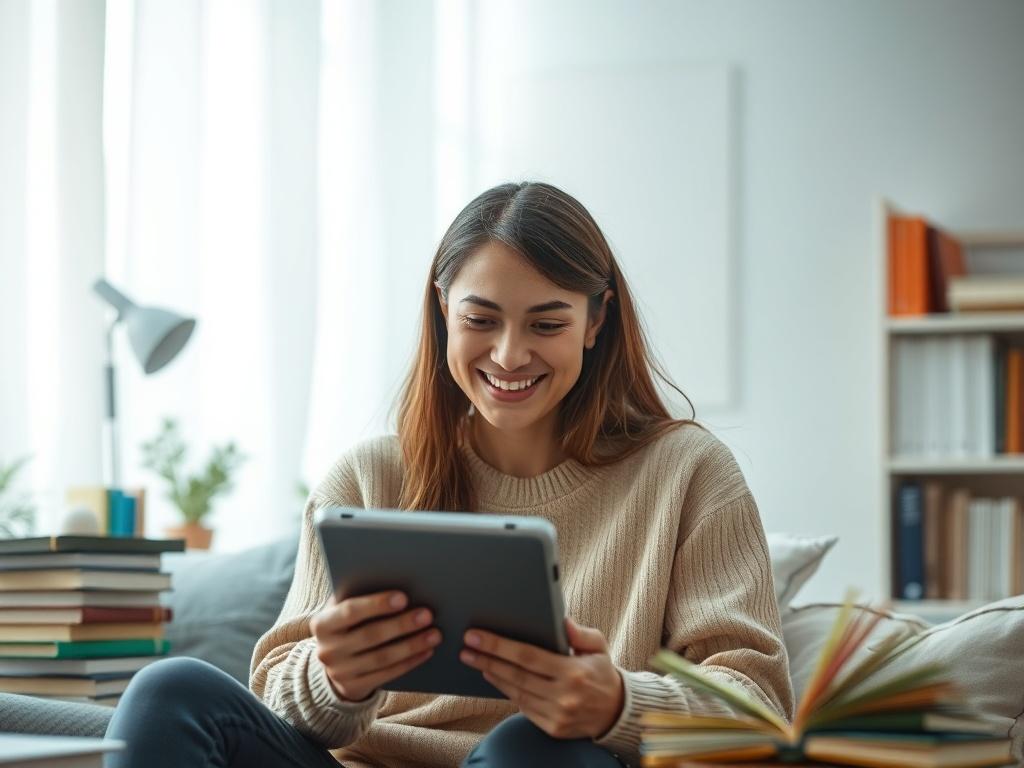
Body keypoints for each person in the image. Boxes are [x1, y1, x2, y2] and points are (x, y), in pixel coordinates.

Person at [103, 181, 794, 767]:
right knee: (169, 692)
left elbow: (760, 709)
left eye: (546, 325)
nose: (509, 355)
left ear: (595, 321)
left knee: (536, 748)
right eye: (481, 319)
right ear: (443, 312)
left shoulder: (686, 473)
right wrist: (334, 680)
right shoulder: (368, 478)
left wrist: (616, 703)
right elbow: (276, 699)